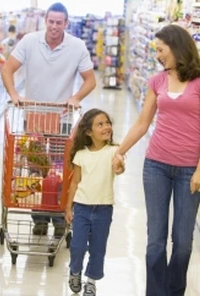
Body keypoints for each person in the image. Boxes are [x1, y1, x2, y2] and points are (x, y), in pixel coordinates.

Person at [112, 24, 200, 296]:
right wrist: (120, 150)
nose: (157, 55)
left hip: (189, 171)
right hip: (156, 165)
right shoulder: (157, 81)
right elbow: (142, 123)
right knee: (155, 241)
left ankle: (174, 291)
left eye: (160, 49)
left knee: (182, 242)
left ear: (176, 46)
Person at [1, 2, 96, 236]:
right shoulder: (30, 41)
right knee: (36, 171)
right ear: (46, 21)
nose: (54, 26)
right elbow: (7, 69)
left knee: (60, 171)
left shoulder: (77, 46)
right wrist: (14, 94)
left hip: (62, 120)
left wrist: (75, 97)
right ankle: (40, 218)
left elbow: (90, 80)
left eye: (59, 22)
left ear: (66, 23)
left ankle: (59, 217)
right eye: (51, 22)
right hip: (33, 119)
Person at [65, 109, 124, 296]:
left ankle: (91, 281)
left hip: (103, 209)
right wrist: (68, 207)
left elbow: (120, 168)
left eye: (107, 123)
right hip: (81, 207)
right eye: (100, 124)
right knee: (78, 246)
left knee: (98, 248)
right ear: (88, 132)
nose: (106, 127)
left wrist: (120, 166)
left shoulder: (115, 151)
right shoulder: (81, 154)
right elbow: (74, 182)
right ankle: (75, 271)